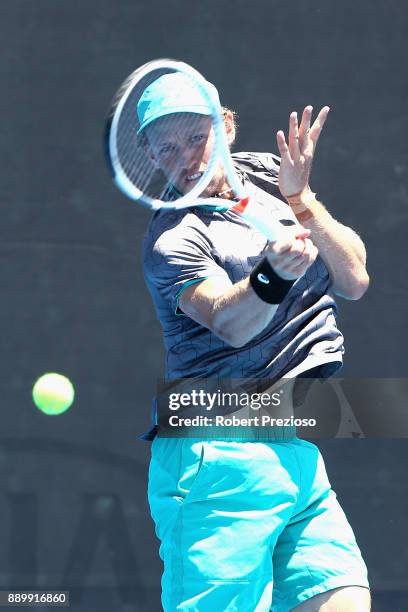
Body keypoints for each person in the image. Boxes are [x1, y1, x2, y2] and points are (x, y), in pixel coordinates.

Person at [141, 72, 371, 611]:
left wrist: (301, 199)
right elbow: (229, 321)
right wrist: (271, 275)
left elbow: (355, 278)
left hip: (293, 445)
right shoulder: (173, 239)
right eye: (168, 148)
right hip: (212, 456)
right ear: (150, 156)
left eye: (198, 138)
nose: (188, 158)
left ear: (226, 127)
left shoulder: (269, 177)